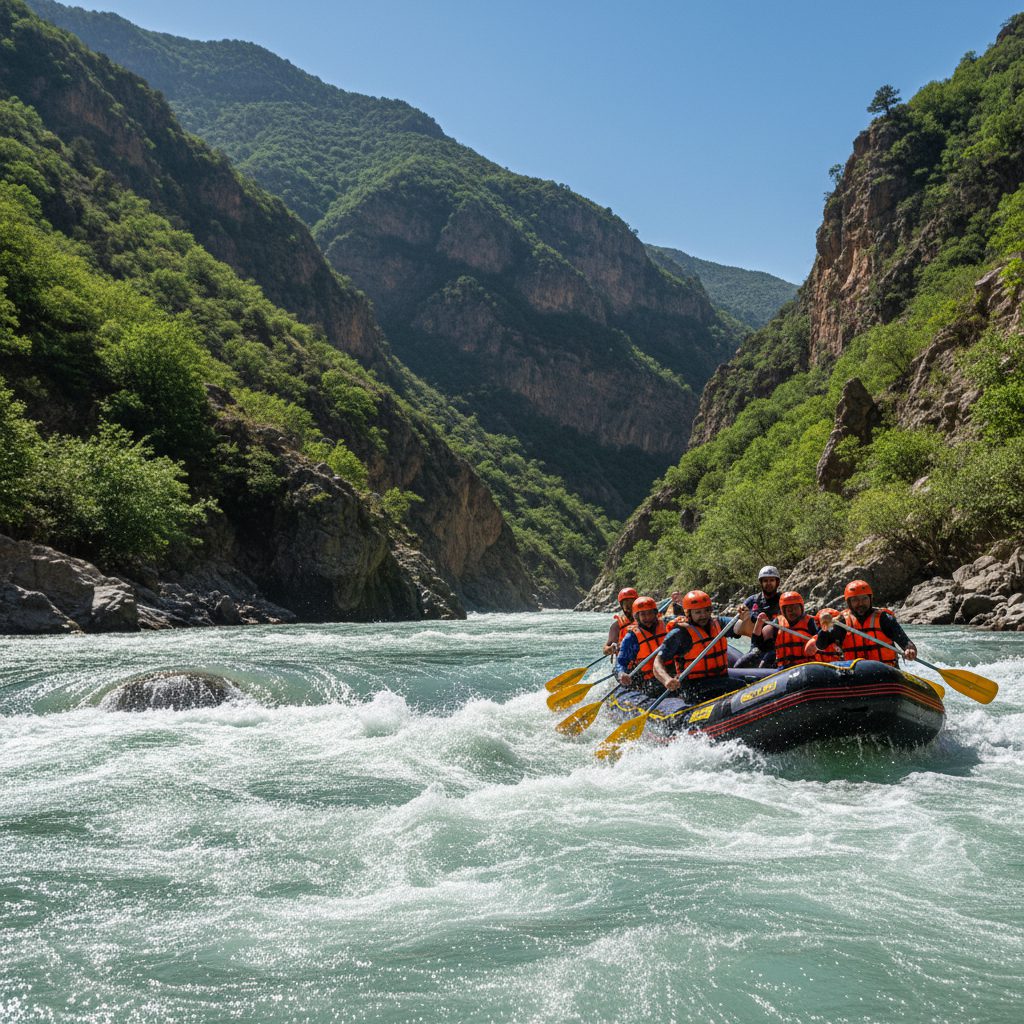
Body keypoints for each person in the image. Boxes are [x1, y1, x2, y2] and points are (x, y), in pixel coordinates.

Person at [653, 590, 750, 702]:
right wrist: (666, 680)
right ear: (689, 613)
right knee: (739, 685)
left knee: (750, 680)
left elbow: (744, 630)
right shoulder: (679, 633)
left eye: (706, 611)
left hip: (721, 679)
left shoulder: (719, 623)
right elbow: (657, 662)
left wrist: (745, 619)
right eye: (698, 612)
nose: (703, 615)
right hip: (694, 688)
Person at [813, 580, 918, 663]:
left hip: (885, 672)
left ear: (870, 599)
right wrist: (825, 627)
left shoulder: (884, 618)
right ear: (849, 603)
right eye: (855, 600)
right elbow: (821, 645)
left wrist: (909, 649)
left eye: (864, 599)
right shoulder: (842, 622)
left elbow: (905, 642)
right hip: (855, 673)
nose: (860, 604)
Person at [615, 596, 677, 696]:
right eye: (643, 614)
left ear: (655, 613)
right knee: (657, 688)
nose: (647, 617)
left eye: (650, 613)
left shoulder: (667, 625)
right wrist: (621, 673)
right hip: (651, 679)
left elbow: (686, 619)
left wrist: (680, 603)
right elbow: (621, 662)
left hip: (673, 673)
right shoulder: (631, 637)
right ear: (637, 617)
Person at [734, 565, 783, 668]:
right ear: (761, 582)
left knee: (765, 664)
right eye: (765, 581)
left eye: (771, 580)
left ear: (777, 582)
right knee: (738, 666)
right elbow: (741, 611)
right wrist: (742, 611)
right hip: (757, 646)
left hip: (776, 646)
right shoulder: (753, 600)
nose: (768, 583)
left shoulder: (783, 600)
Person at [761, 591, 818, 668]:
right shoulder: (777, 623)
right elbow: (764, 645)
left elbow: (822, 638)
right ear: (783, 611)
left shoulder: (810, 622)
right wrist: (760, 626)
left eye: (796, 608)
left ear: (801, 608)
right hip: (784, 668)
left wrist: (815, 640)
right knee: (768, 655)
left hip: (807, 666)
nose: (793, 612)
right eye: (789, 610)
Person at [603, 587, 637, 655]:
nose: (630, 608)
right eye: (626, 605)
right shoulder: (616, 626)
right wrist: (610, 649)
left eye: (631, 604)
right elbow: (605, 650)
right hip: (626, 663)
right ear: (622, 607)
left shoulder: (646, 619)